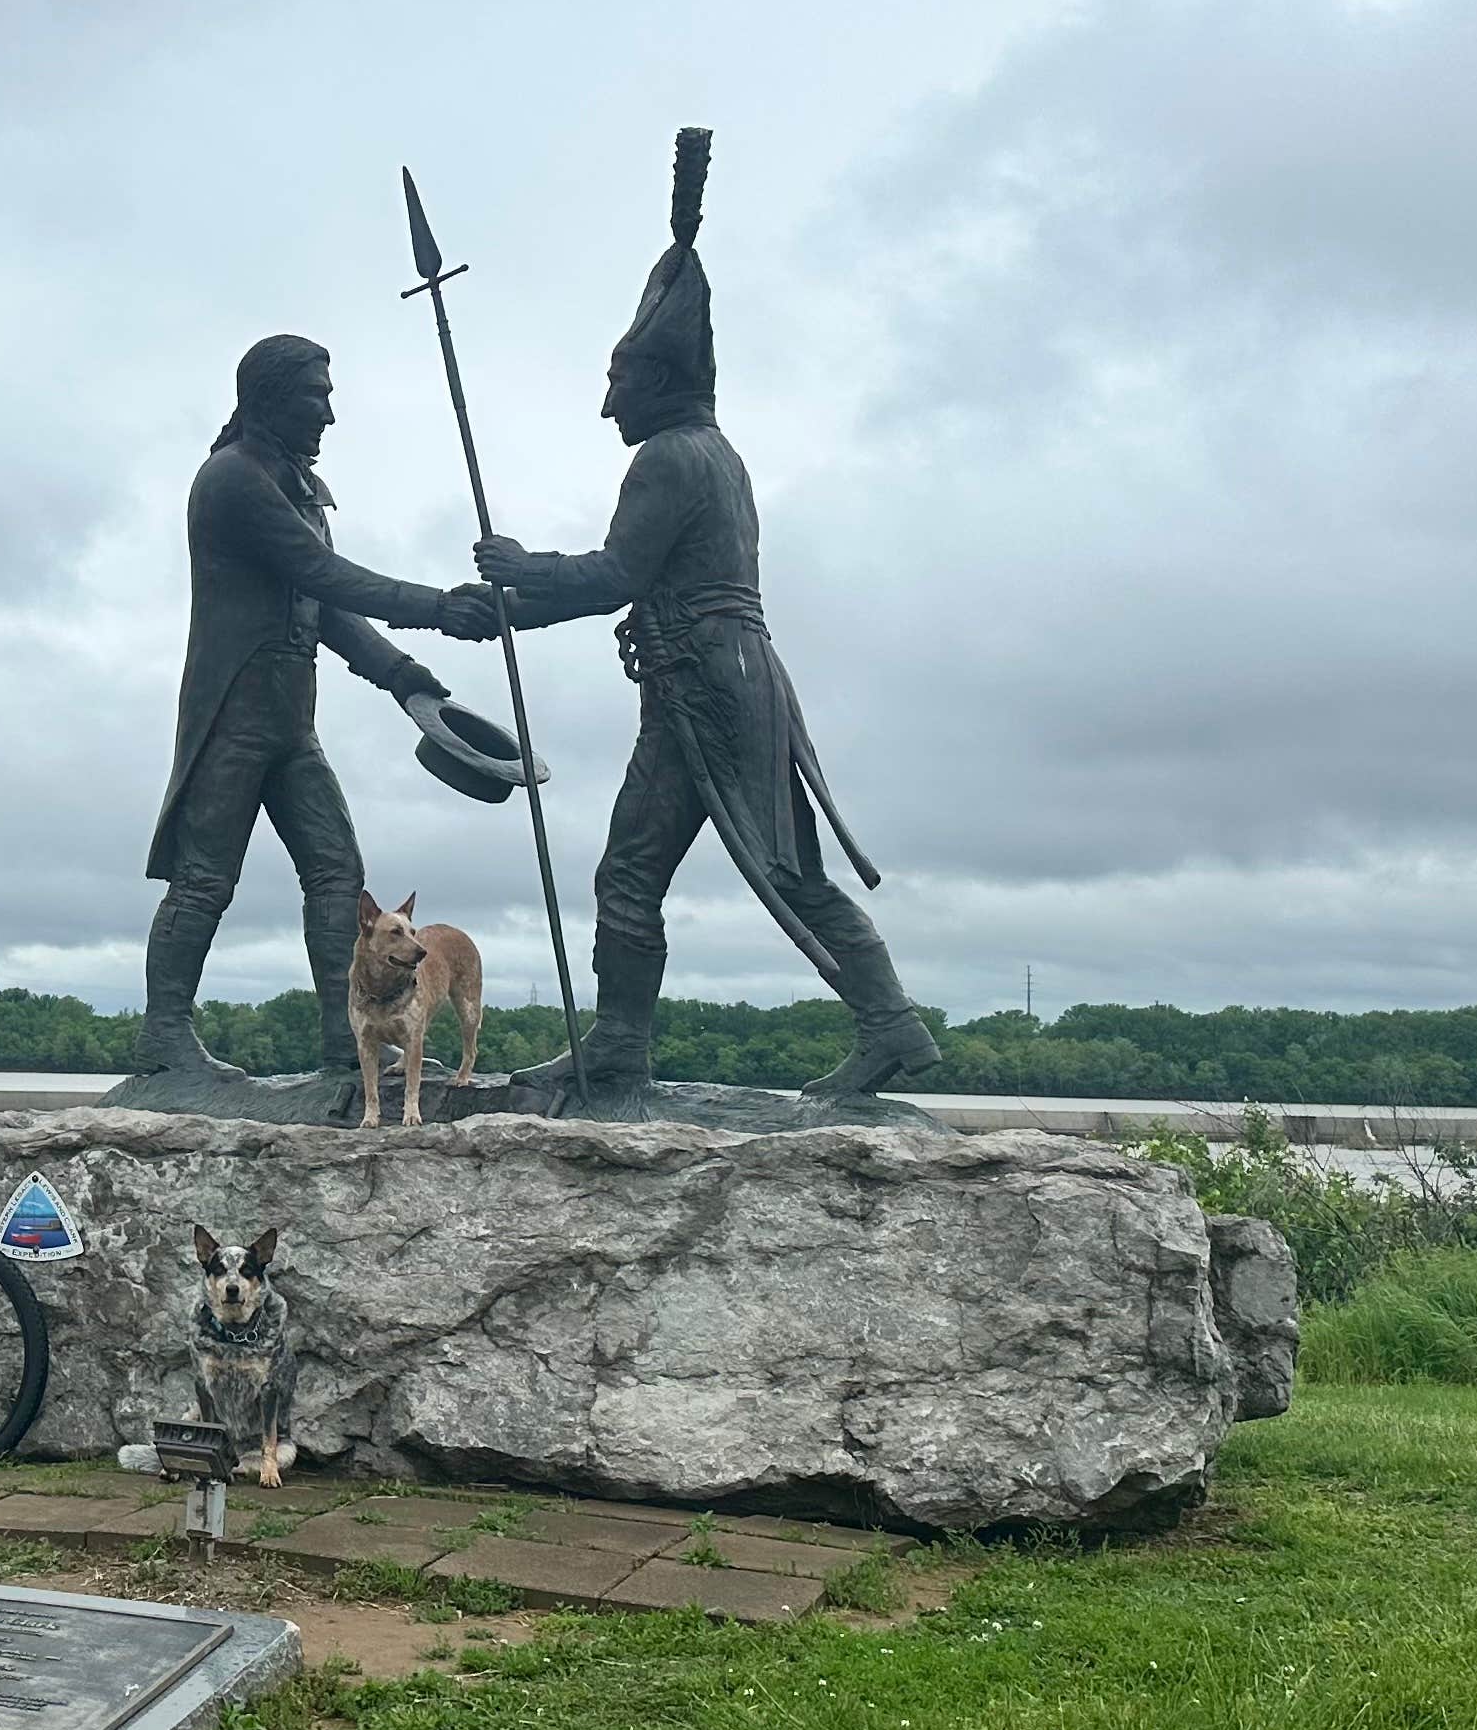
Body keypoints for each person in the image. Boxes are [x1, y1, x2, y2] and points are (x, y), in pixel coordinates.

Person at [472, 131, 937, 1106]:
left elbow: (614, 576)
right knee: (644, 872)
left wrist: (522, 570)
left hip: (709, 690)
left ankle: (883, 1027)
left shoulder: (672, 457)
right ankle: (623, 1046)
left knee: (746, 871)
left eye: (617, 383)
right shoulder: (714, 455)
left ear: (657, 382)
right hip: (714, 680)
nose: (607, 406)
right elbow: (638, 584)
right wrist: (506, 610)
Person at [136, 333, 501, 1100]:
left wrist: (404, 678)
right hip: (233, 710)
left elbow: (325, 606)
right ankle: (164, 1044)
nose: (329, 415)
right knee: (204, 880)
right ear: (268, 398)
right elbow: (323, 572)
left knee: (338, 872)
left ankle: (349, 1041)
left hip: (290, 720)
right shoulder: (232, 480)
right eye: (316, 397)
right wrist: (436, 607)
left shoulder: (300, 491)